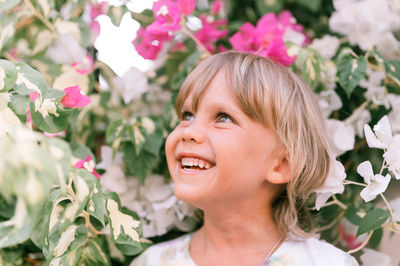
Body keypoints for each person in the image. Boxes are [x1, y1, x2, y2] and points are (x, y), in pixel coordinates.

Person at [130, 51, 359, 266]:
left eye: (223, 118)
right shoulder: (152, 261)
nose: (189, 131)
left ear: (281, 165)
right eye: (187, 115)